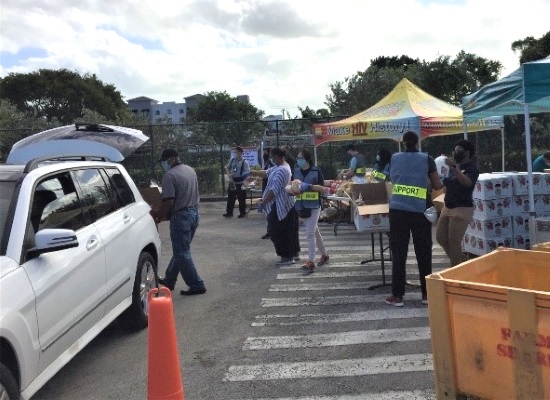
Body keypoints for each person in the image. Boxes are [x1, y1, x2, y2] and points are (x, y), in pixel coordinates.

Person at [385, 131, 443, 307]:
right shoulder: (427, 159)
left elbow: (389, 178)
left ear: (403, 143)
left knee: (399, 253)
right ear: (417, 143)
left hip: (398, 210)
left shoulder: (394, 158)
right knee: (424, 253)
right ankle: (426, 294)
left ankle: (397, 296)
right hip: (420, 211)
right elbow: (437, 185)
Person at [153, 148, 206, 296]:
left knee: (182, 252)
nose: (163, 164)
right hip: (194, 213)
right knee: (180, 250)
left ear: (171, 159)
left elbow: (168, 201)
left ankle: (197, 284)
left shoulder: (169, 176)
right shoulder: (190, 170)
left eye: (164, 161)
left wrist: (158, 215)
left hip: (181, 216)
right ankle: (169, 279)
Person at [436, 140, 479, 267]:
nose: (455, 153)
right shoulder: (455, 168)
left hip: (462, 209)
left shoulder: (472, 169)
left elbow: (467, 182)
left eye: (458, 151)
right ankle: (461, 260)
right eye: (454, 151)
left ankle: (456, 268)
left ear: (467, 153)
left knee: (454, 242)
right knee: (441, 238)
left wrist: (454, 168)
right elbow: (446, 182)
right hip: (447, 207)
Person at [252, 147, 297, 265]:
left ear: (278, 157)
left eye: (273, 157)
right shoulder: (278, 167)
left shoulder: (282, 170)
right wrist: (253, 173)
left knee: (277, 231)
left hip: (281, 205)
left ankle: (287, 256)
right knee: (287, 231)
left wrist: (263, 202)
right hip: (282, 204)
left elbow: (274, 190)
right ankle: (292, 254)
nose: (272, 159)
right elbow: (267, 172)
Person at [293, 149, 329, 273]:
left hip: (314, 205)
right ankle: (324, 254)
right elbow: (291, 187)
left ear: (307, 159)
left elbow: (322, 188)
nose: (299, 160)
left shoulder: (316, 171)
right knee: (314, 231)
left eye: (301, 158)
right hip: (301, 206)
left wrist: (308, 187)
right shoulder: (296, 171)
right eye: (298, 158)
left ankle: (311, 261)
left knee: (309, 233)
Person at [223, 146, 250, 218]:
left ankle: (242, 213)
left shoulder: (244, 162)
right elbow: (227, 168)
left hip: (240, 182)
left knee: (241, 199)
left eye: (237, 152)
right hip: (233, 181)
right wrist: (229, 174)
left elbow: (247, 173)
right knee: (230, 198)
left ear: (241, 153)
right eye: (235, 152)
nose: (235, 154)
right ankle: (229, 212)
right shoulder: (232, 160)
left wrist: (244, 181)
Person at [261, 147, 275, 239]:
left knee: (271, 213)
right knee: (268, 213)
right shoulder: (267, 162)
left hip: (271, 189)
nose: (265, 154)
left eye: (267, 153)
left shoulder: (273, 163)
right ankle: (271, 231)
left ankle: (272, 232)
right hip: (265, 188)